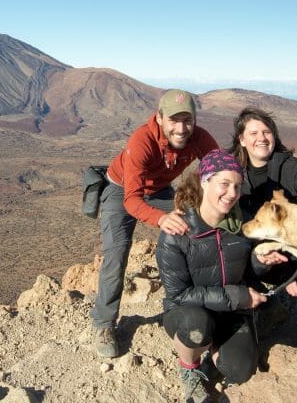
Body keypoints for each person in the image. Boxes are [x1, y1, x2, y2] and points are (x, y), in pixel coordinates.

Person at [91, 89, 219, 358]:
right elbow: (132, 201)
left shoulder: (199, 137)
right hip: (121, 191)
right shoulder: (142, 140)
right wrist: (161, 218)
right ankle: (103, 323)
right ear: (159, 118)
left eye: (187, 120)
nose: (181, 128)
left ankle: (192, 306)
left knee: (194, 229)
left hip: (160, 190)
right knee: (116, 255)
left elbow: (218, 167)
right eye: (174, 120)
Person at [157, 149, 268, 403]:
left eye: (237, 186)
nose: (232, 193)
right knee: (197, 325)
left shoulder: (241, 226)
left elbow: (247, 273)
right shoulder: (178, 232)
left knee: (240, 370)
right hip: (188, 311)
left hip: (229, 312)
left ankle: (216, 351)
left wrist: (261, 263)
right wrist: (237, 297)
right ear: (205, 181)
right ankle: (189, 367)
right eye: (224, 184)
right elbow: (179, 294)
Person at [229, 106, 297, 351]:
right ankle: (255, 307)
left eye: (266, 132)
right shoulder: (234, 178)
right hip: (264, 262)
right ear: (242, 140)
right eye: (253, 133)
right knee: (252, 257)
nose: (261, 138)